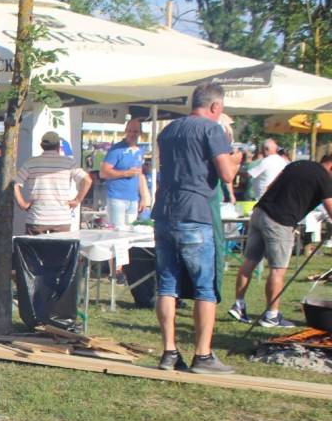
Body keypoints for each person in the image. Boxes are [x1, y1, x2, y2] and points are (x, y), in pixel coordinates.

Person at [151, 82, 238, 374]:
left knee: (167, 284)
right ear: (215, 107)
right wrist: (235, 157)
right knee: (204, 287)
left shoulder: (169, 130)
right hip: (195, 212)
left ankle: (169, 352)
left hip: (164, 211)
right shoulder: (212, 130)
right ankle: (203, 354)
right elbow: (226, 174)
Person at [229, 155, 332, 327]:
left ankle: (238, 304)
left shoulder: (297, 164)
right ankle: (271, 316)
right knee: (278, 270)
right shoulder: (324, 177)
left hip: (260, 212)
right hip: (280, 221)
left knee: (250, 261)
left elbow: (270, 185)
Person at [13, 131, 92, 234]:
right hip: (61, 218)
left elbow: (15, 184)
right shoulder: (68, 162)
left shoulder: (31, 162)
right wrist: (77, 200)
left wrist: (22, 204)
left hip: (37, 218)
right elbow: (87, 180)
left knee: (34, 249)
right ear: (58, 146)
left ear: (42, 146)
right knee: (60, 250)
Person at [101, 119, 150, 229]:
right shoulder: (116, 149)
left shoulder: (140, 151)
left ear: (140, 133)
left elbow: (140, 175)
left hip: (133, 198)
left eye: (136, 131)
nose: (133, 134)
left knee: (131, 232)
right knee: (118, 232)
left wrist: (144, 197)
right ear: (126, 131)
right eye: (130, 131)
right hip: (117, 197)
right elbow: (104, 172)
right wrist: (126, 173)